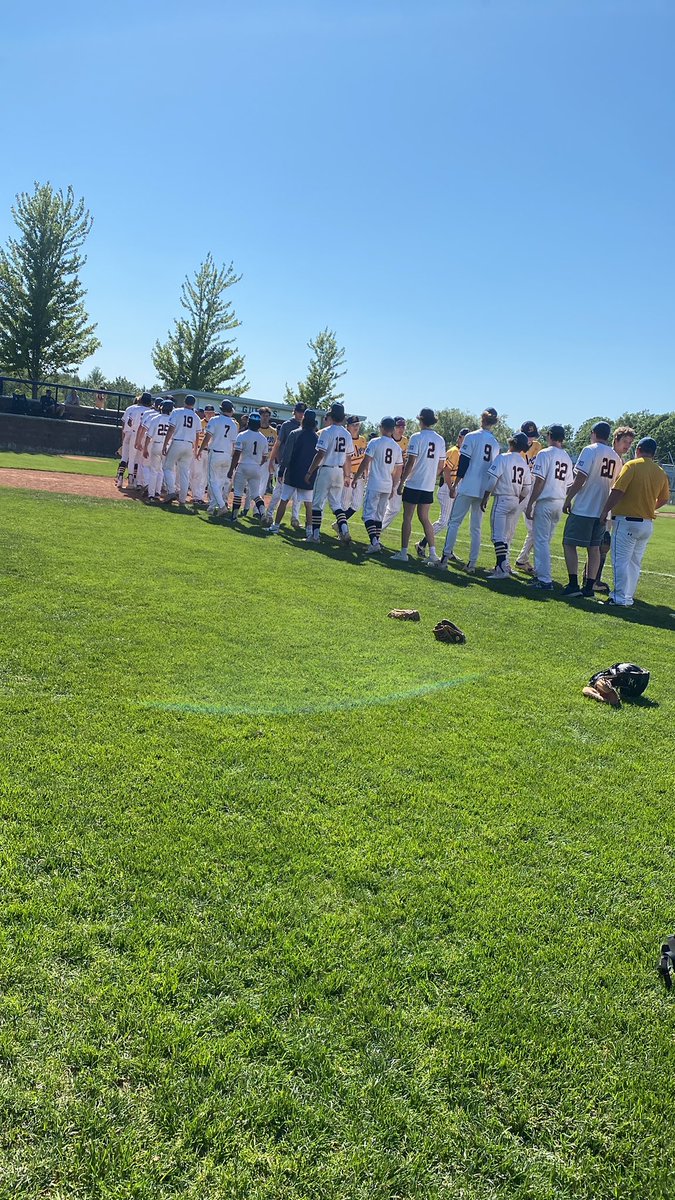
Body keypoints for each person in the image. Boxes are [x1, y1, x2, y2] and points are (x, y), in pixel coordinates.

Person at [600, 437, 670, 606]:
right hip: (646, 523)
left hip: (627, 521)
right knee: (634, 563)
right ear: (653, 452)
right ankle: (627, 597)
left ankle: (618, 598)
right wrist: (649, 506)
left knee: (620, 561)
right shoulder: (660, 471)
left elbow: (617, 490)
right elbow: (664, 498)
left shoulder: (632, 465)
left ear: (638, 449)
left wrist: (604, 511)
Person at [561, 421, 623, 599]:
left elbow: (581, 476)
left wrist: (568, 498)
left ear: (594, 433)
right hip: (602, 509)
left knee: (569, 543)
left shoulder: (590, 449)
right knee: (594, 548)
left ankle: (573, 584)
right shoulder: (616, 458)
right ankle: (589, 587)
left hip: (585, 507)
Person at [436, 408, 501, 572]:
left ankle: (444, 558)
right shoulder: (494, 442)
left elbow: (464, 462)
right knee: (476, 528)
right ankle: (472, 564)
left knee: (454, 523)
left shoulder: (471, 436)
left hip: (468, 485)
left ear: (482, 419)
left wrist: (456, 484)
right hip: (483, 488)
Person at [390, 408, 446, 563]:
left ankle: (403, 552)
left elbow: (410, 462)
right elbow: (441, 466)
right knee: (425, 518)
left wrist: (402, 482)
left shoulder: (416, 437)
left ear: (421, 420)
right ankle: (433, 553)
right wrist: (431, 476)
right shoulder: (440, 440)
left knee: (407, 517)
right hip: (428, 485)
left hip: (414, 483)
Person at [584, 426, 635, 594]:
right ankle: (592, 580)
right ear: (615, 440)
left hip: (607, 507)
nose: (627, 446)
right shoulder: (615, 459)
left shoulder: (620, 461)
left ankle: (590, 578)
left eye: (630, 443)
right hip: (602, 506)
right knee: (600, 544)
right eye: (624, 442)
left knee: (599, 544)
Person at [524, 424, 574, 590]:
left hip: (546, 501)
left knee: (541, 541)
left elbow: (539, 481)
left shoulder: (545, 453)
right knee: (546, 540)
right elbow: (569, 484)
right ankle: (540, 574)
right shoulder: (566, 456)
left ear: (550, 436)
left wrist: (531, 502)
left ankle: (545, 580)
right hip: (559, 501)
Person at [480, 432, 532, 577]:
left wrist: (485, 497)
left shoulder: (503, 458)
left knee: (497, 536)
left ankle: (502, 568)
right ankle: (501, 566)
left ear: (511, 443)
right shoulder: (523, 463)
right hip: (516, 499)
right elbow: (527, 488)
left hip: (502, 498)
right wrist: (518, 499)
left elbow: (493, 480)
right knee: (506, 535)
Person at [304, 402, 354, 542]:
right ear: (343, 417)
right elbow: (348, 458)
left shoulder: (326, 431)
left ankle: (315, 536)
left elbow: (320, 454)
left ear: (331, 415)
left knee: (317, 504)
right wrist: (347, 475)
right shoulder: (347, 434)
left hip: (326, 469)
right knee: (336, 504)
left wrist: (309, 472)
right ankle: (344, 530)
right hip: (339, 470)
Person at [415, 427, 468, 558]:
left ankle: (448, 550)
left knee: (452, 522)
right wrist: (451, 488)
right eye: (462, 438)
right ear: (459, 438)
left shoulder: (463, 452)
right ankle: (422, 544)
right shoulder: (454, 451)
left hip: (455, 487)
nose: (463, 441)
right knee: (443, 521)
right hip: (447, 488)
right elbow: (446, 471)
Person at [354, 417, 404, 554]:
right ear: (393, 429)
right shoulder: (397, 447)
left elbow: (365, 461)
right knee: (379, 516)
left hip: (375, 483)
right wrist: (394, 487)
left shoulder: (375, 442)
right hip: (387, 484)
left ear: (381, 427)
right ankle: (376, 541)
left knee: (368, 515)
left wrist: (356, 477)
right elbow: (398, 470)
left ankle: (375, 542)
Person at [269, 409, 319, 536]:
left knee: (284, 499)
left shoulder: (294, 433)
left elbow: (287, 455)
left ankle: (275, 526)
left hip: (293, 472)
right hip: (308, 474)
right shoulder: (317, 437)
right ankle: (309, 532)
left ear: (304, 419)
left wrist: (281, 471)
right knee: (309, 504)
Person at [267, 402, 306, 526]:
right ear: (294, 411)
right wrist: (272, 460)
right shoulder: (287, 425)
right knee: (278, 491)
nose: (301, 414)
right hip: (285, 463)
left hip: (299, 465)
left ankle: (295, 518)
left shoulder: (307, 426)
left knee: (297, 495)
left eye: (303, 412)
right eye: (299, 411)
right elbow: (278, 443)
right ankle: (269, 514)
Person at [227, 411, 270, 523]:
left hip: (243, 465)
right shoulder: (263, 438)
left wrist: (231, 469)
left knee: (237, 493)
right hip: (256, 467)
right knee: (256, 494)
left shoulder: (242, 435)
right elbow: (265, 457)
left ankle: (234, 517)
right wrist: (257, 465)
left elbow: (236, 454)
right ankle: (262, 513)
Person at [198, 399, 239, 515]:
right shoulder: (233, 424)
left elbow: (207, 437)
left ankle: (221, 505)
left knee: (212, 481)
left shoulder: (214, 420)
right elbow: (233, 443)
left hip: (215, 452)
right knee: (220, 482)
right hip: (227, 454)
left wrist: (200, 450)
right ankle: (212, 507)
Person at [514, 420, 544, 572]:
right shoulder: (517, 446)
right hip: (517, 488)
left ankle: (522, 559)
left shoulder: (538, 447)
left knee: (534, 529)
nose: (530, 439)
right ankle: (503, 562)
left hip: (531, 488)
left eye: (532, 436)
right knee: (509, 527)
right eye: (528, 436)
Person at [162, 394, 202, 505]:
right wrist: (195, 449)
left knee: (167, 467)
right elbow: (198, 434)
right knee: (184, 472)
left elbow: (171, 429)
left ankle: (171, 491)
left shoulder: (177, 412)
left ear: (184, 401)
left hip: (178, 441)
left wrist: (165, 444)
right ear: (193, 404)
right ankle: (182, 499)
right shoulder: (196, 417)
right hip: (189, 444)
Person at [380, 417, 410, 530]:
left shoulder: (405, 441)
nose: (401, 429)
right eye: (398, 426)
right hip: (384, 475)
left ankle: (377, 531)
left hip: (397, 477)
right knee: (380, 507)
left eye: (403, 426)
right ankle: (375, 532)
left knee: (394, 508)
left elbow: (406, 461)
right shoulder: (386, 439)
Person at [142, 400, 174, 500]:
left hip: (156, 445)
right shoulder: (173, 419)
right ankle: (158, 492)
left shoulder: (155, 418)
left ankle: (151, 494)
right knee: (163, 471)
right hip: (168, 446)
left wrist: (145, 448)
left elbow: (149, 435)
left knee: (154, 471)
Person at [339, 415, 368, 525]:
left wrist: (366, 471)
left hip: (359, 476)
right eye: (353, 425)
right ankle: (342, 528)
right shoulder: (346, 439)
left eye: (357, 424)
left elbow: (364, 458)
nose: (356, 427)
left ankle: (340, 524)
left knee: (357, 504)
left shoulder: (362, 440)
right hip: (348, 475)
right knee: (344, 504)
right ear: (348, 426)